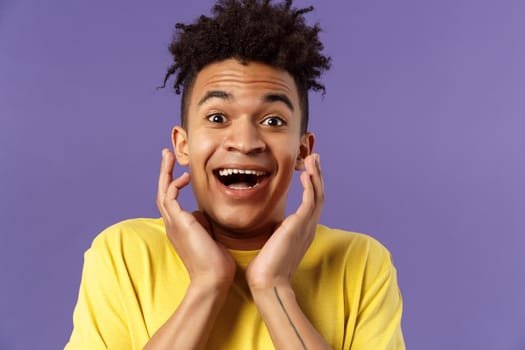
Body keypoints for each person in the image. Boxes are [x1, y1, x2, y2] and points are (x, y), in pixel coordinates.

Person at [65, 0, 405, 349]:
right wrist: (207, 283)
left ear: (303, 150)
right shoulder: (124, 253)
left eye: (273, 121)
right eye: (217, 118)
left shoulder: (360, 262)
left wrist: (273, 287)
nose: (244, 142)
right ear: (183, 145)